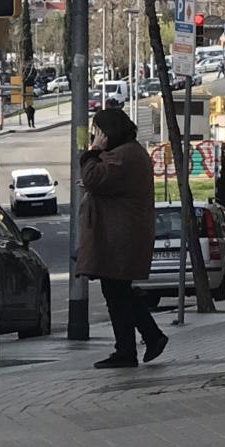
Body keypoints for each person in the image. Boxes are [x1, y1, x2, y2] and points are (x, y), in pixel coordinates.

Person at [77, 106, 166, 369]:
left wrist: (93, 151)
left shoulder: (124, 156)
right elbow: (101, 181)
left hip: (119, 238)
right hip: (121, 235)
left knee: (117, 292)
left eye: (98, 132)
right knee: (118, 292)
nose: (96, 137)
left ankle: (132, 347)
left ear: (108, 132)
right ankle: (144, 340)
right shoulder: (128, 153)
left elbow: (94, 177)